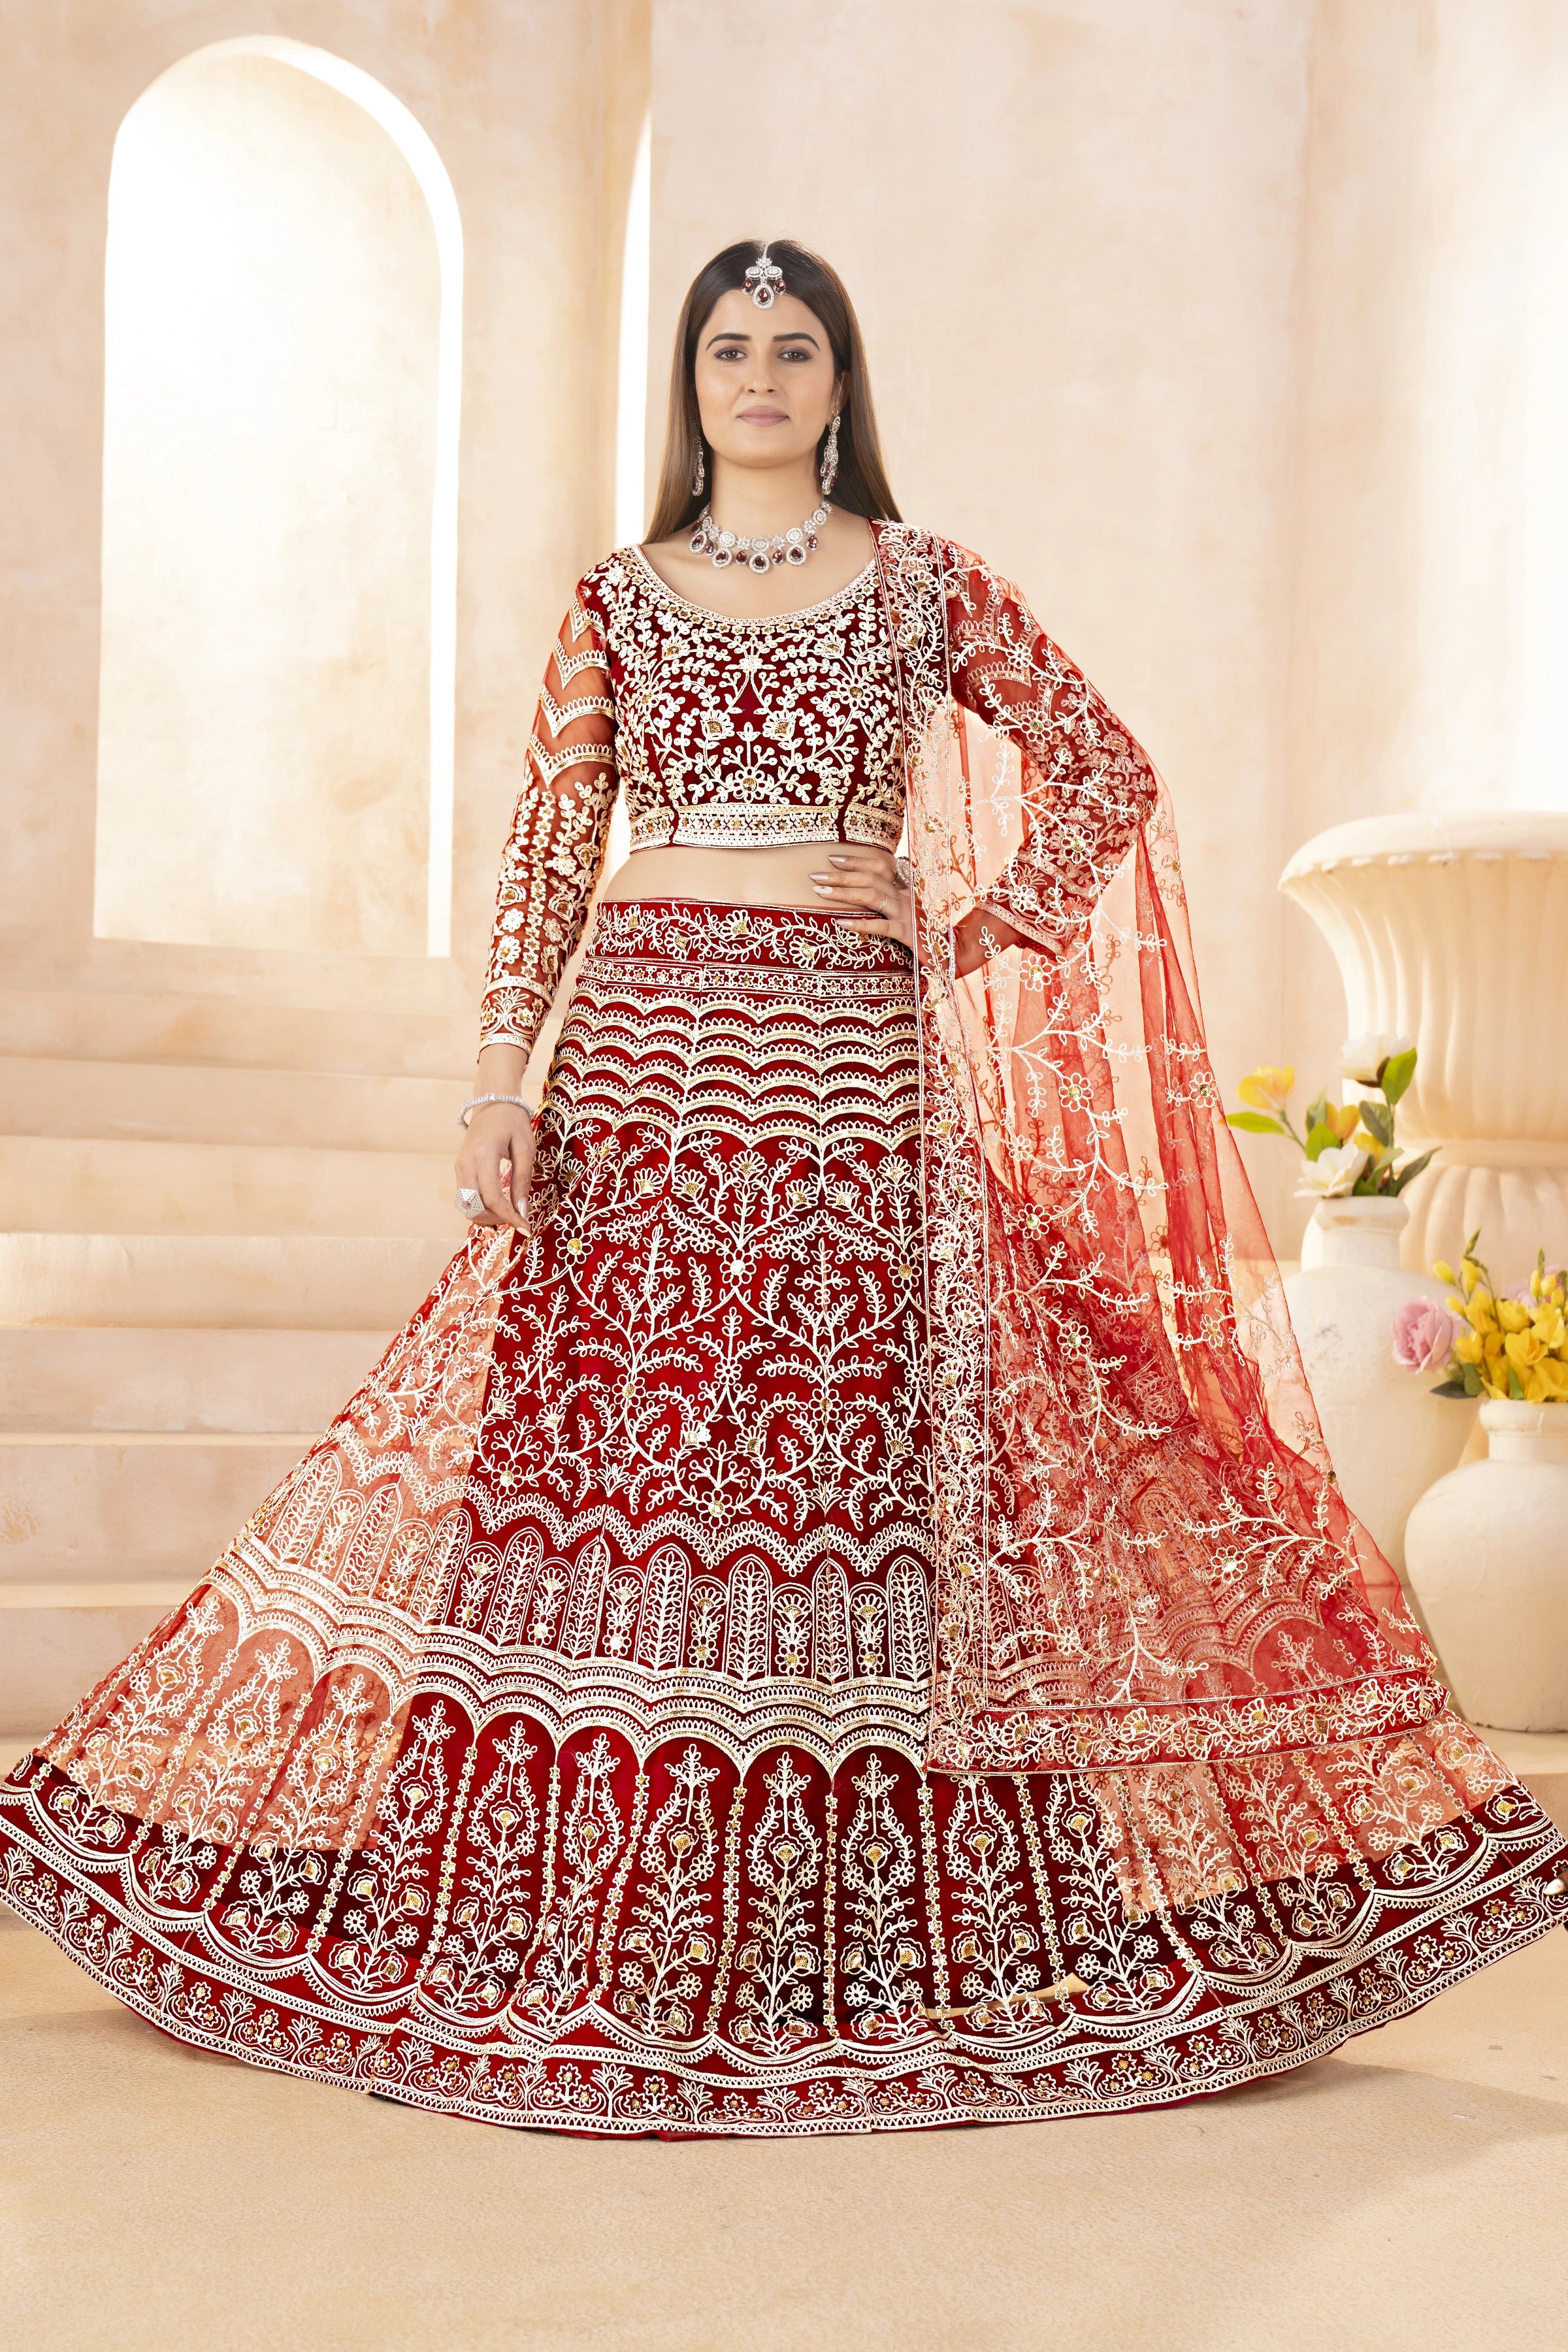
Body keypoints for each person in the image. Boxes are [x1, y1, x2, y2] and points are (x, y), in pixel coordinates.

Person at [3, 241, 1562, 2137]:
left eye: (793, 348)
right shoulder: (614, 600)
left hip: (848, 1074)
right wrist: (502, 1079)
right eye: (729, 346)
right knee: (633, 1468)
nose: (758, 374)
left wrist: (972, 921)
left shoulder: (920, 584)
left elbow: (1103, 772)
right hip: (646, 1072)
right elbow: (549, 852)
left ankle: (854, 1931)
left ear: (841, 385)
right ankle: (593, 1907)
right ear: (695, 381)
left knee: (850, 1462)